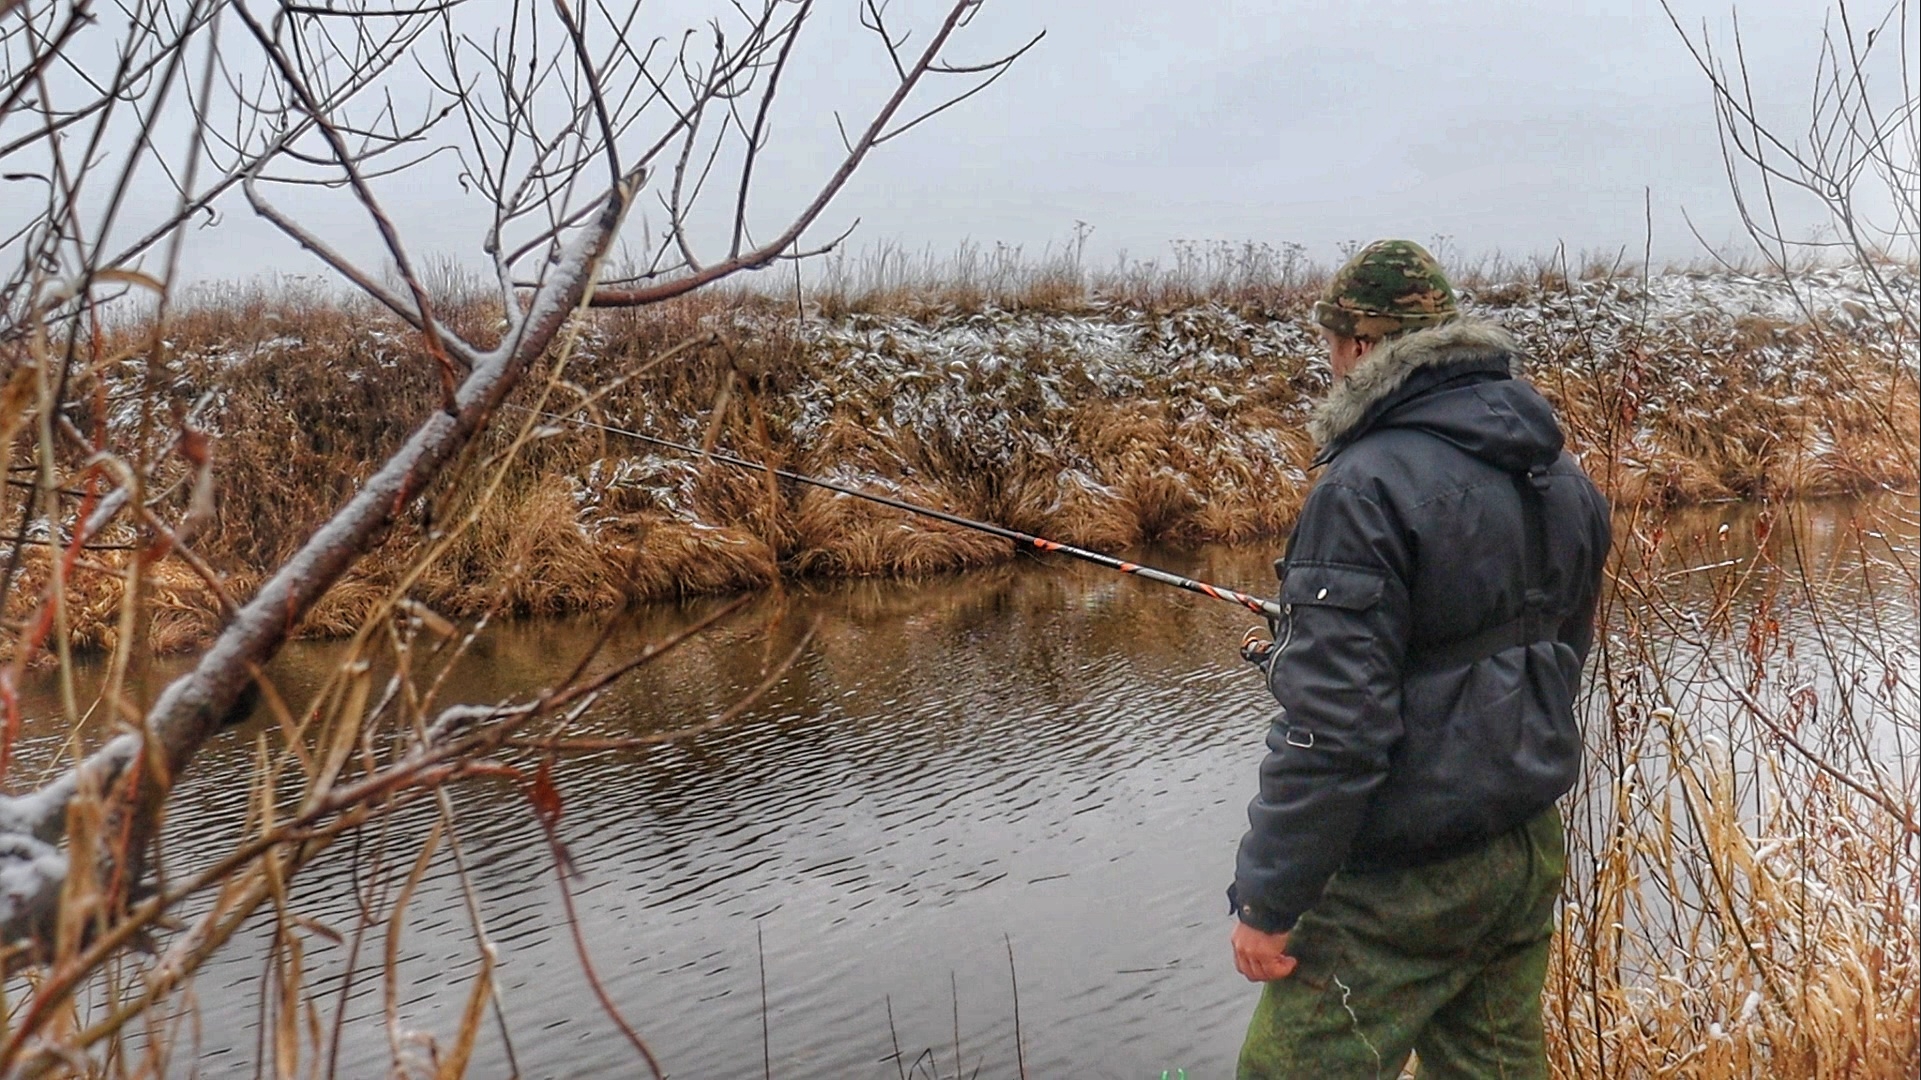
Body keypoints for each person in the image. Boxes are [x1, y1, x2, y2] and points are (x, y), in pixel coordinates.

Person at [1227, 240, 1611, 1078]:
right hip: (1521, 844)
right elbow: (1555, 650)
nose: (1329, 364)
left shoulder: (1360, 488)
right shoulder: (1560, 475)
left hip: (1403, 878)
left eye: (1333, 344)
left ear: (1363, 347)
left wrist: (1269, 896)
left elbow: (1333, 728)